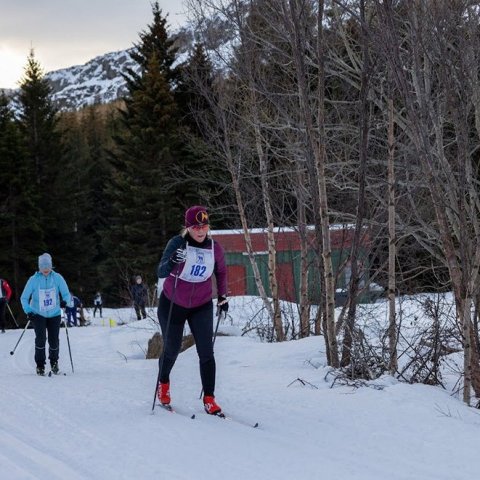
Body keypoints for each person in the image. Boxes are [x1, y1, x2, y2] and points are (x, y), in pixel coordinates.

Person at [156, 205, 228, 415]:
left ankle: (209, 398)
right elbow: (160, 270)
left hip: (201, 304)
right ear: (188, 227)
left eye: (204, 226)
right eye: (196, 226)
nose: (200, 231)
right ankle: (164, 383)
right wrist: (172, 261)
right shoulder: (177, 243)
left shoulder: (215, 248)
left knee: (206, 352)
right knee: (172, 348)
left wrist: (223, 296)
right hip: (172, 303)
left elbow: (222, 272)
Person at [20, 253, 71, 376]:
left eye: (47, 267)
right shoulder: (33, 280)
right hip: (38, 314)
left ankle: (54, 363)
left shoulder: (58, 278)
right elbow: (24, 298)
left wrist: (65, 301)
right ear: (39, 267)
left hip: (54, 314)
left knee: (54, 341)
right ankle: (40, 365)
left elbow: (66, 294)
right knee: (41, 339)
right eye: (43, 267)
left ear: (51, 266)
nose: (45, 270)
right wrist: (29, 311)